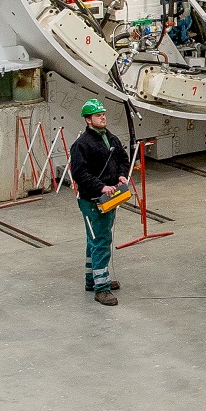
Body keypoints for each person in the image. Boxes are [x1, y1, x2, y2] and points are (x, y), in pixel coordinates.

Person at [68, 99, 132, 305]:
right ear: (88, 120)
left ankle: (92, 280)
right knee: (101, 241)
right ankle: (101, 289)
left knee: (94, 239)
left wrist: (121, 176)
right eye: (98, 115)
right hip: (92, 200)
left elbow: (123, 158)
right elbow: (79, 173)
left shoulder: (109, 138)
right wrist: (101, 186)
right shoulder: (81, 145)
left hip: (108, 198)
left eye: (103, 114)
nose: (103, 117)